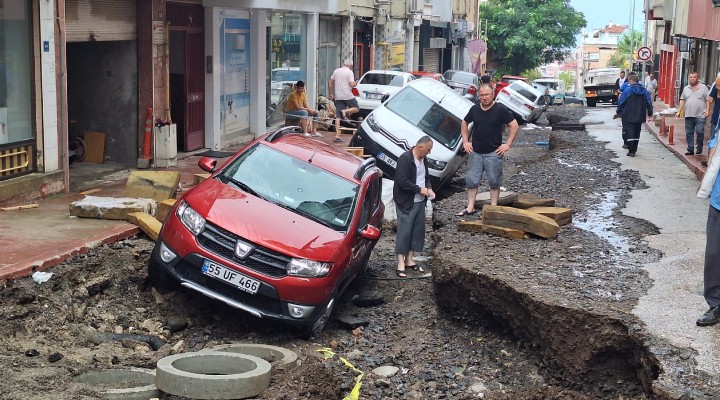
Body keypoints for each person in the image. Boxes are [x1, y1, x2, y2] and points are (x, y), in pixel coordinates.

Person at [457, 83, 519, 216]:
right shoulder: (474, 109)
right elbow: (464, 122)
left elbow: (514, 125)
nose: (484, 98)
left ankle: (493, 207)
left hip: (494, 152)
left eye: (487, 95)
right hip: (476, 152)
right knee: (472, 180)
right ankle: (470, 207)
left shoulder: (500, 109)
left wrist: (507, 144)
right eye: (482, 95)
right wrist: (465, 141)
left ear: (493, 95)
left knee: (494, 180)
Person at [393, 136, 435, 278]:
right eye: (428, 150)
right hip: (406, 201)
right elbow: (402, 181)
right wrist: (419, 189)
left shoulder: (424, 160)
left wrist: (429, 188)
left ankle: (409, 259)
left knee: (417, 230)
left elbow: (427, 177)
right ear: (420, 147)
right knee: (404, 230)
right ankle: (400, 262)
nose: (429, 153)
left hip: (420, 201)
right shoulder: (405, 159)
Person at [698, 133, 720, 326]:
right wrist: (713, 148)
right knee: (713, 255)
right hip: (719, 201)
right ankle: (715, 304)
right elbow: (716, 137)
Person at [616, 74, 653, 157]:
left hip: (628, 114)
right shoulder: (644, 91)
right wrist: (650, 113)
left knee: (629, 132)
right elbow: (648, 102)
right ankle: (635, 148)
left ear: (631, 81)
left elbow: (622, 102)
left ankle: (631, 150)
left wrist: (618, 110)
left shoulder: (628, 90)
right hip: (640, 115)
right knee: (637, 132)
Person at [676, 71, 710, 155]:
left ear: (697, 78)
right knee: (689, 132)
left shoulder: (704, 87)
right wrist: (679, 111)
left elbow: (707, 100)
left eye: (694, 77)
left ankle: (699, 147)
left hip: (701, 114)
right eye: (691, 77)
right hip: (688, 114)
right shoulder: (686, 88)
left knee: (699, 131)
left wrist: (708, 110)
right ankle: (690, 149)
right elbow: (682, 100)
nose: (692, 79)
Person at [328, 58, 359, 143]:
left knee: (337, 116)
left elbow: (330, 82)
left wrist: (331, 93)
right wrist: (356, 82)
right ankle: (345, 111)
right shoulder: (349, 72)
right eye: (351, 66)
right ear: (350, 65)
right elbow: (351, 84)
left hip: (338, 95)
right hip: (348, 95)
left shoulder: (336, 71)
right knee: (356, 108)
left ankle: (337, 136)